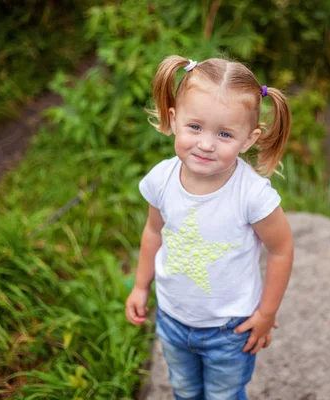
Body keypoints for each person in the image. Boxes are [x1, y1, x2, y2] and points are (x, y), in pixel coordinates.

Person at [125, 55, 294, 400]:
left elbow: (282, 249)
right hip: (173, 318)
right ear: (174, 119)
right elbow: (153, 232)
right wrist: (141, 286)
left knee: (224, 395)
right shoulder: (162, 179)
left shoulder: (252, 195)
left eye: (225, 133)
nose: (206, 143)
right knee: (184, 391)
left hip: (230, 331)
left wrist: (266, 313)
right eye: (195, 127)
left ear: (248, 139)